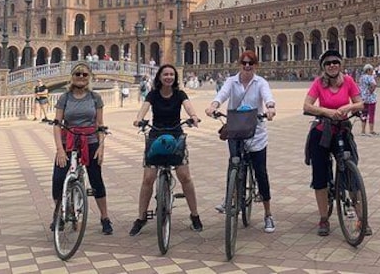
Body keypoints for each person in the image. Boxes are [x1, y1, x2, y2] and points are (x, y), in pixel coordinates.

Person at [206, 51, 277, 233]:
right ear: (239, 64)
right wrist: (214, 106)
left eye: (250, 63)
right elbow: (221, 95)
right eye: (244, 63)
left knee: (261, 173)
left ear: (255, 65)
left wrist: (270, 107)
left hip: (256, 132)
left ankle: (268, 214)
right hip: (236, 130)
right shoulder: (232, 81)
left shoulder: (260, 82)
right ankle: (231, 196)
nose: (247, 66)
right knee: (234, 164)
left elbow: (267, 96)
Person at [302, 50, 369, 237]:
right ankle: (324, 218)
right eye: (328, 63)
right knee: (320, 175)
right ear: (323, 67)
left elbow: (361, 103)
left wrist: (348, 106)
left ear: (340, 65)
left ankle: (361, 218)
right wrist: (326, 112)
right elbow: (307, 106)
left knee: (351, 171)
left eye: (335, 62)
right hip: (322, 132)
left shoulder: (348, 81)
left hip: (341, 129)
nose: (332, 65)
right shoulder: (318, 83)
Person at [130, 64, 202, 236]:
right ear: (160, 77)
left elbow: (189, 107)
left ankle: (195, 215)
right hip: (156, 136)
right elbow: (144, 109)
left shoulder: (180, 94)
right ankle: (141, 217)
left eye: (171, 74)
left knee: (185, 176)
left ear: (175, 78)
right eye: (165, 74)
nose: (168, 77)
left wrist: (193, 117)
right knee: (148, 178)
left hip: (176, 136)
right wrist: (138, 119)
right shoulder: (153, 94)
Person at [50, 63, 113, 235]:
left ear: (89, 77)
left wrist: (101, 148)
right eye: (77, 74)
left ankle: (105, 217)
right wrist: (60, 150)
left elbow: (100, 125)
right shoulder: (65, 98)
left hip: (90, 140)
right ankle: (58, 214)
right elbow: (57, 124)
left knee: (96, 179)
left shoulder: (95, 98)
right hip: (68, 141)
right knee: (58, 179)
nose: (81, 77)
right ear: (72, 77)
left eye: (84, 74)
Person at [359, 64, 378, 136]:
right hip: (371, 98)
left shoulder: (361, 77)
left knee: (364, 114)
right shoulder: (370, 77)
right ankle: (371, 130)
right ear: (368, 70)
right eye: (371, 69)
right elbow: (374, 85)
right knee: (371, 114)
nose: (372, 71)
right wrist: (371, 91)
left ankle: (363, 130)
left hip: (363, 98)